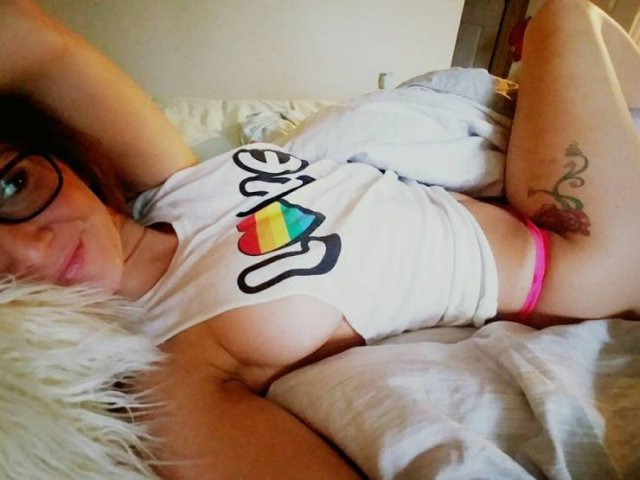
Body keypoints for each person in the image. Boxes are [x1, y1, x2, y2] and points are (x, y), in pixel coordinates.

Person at [0, 0, 638, 477]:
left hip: (518, 196)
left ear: (54, 155)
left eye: (10, 187)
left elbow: (33, 43)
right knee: (565, 17)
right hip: (575, 263)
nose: (30, 248)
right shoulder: (168, 372)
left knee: (563, 16)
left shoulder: (173, 185)